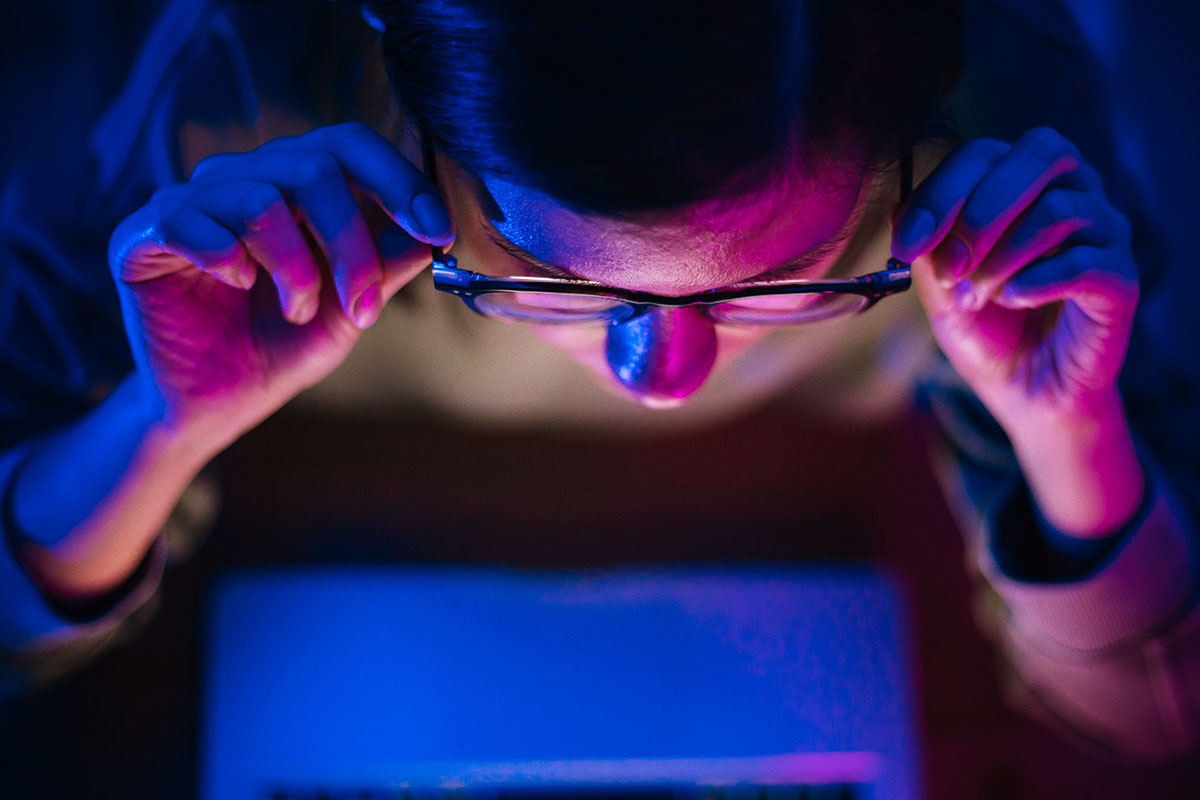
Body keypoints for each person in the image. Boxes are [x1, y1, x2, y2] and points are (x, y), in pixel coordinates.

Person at [1, 0, 1196, 761]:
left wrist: (1071, 428)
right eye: (541, 268)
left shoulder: (1004, 117)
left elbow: (1164, 725)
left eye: (791, 275)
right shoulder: (215, 103)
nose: (662, 376)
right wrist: (156, 422)